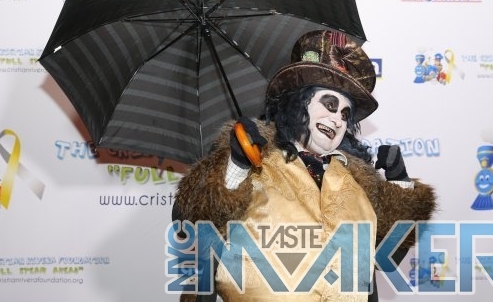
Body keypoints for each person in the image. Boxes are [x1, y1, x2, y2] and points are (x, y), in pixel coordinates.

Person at [173, 30, 437, 301]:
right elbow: (189, 224)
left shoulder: (358, 181)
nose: (337, 120)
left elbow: (385, 258)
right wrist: (238, 164)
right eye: (330, 104)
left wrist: (400, 183)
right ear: (298, 103)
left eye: (345, 114)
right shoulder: (254, 160)